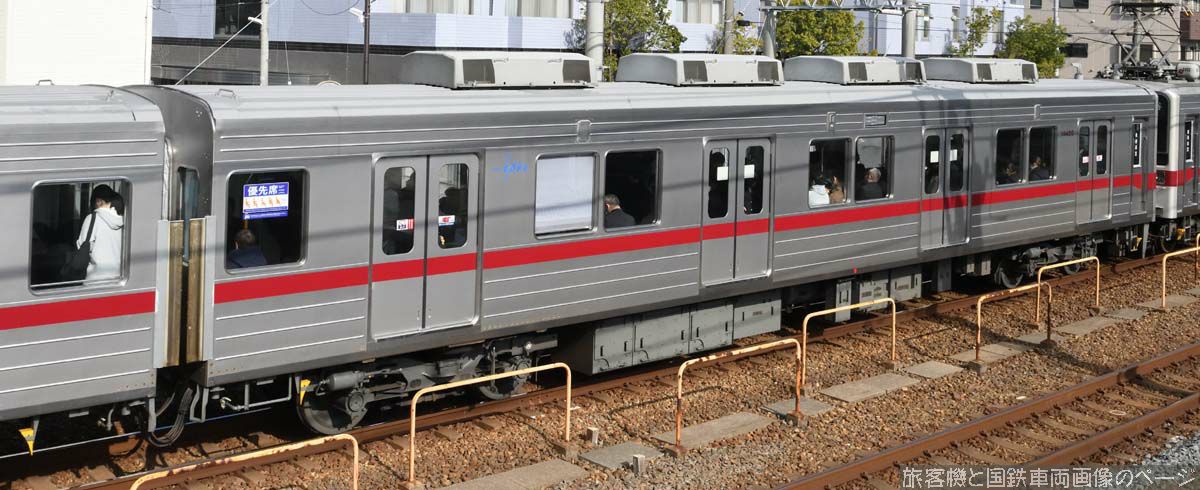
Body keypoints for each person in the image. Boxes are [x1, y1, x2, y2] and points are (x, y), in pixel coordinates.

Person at [76, 185, 124, 282]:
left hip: (95, 279)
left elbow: (81, 245)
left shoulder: (92, 218)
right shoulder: (122, 219)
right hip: (118, 278)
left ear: (98, 201)